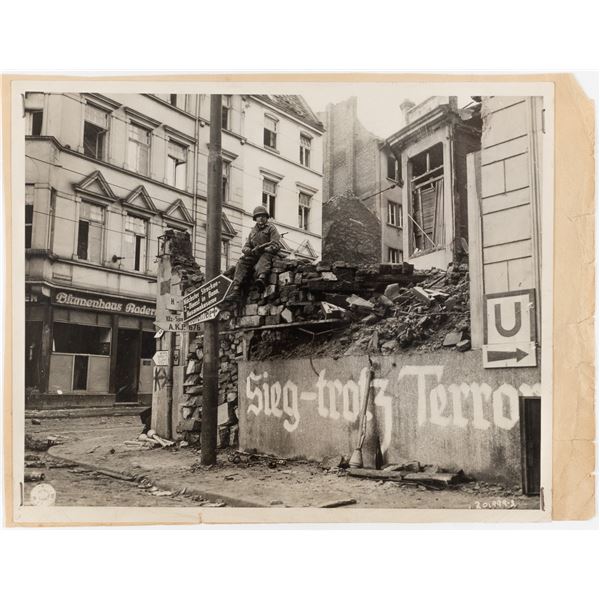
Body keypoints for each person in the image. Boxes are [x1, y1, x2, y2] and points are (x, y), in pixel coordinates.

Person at [228, 205, 281, 299]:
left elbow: (275, 244)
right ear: (255, 218)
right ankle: (236, 288)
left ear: (266, 217)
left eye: (263, 216)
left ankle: (261, 278)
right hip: (254, 255)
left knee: (265, 257)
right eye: (258, 216)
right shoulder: (253, 231)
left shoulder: (271, 228)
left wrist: (266, 248)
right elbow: (246, 246)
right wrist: (250, 251)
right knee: (242, 261)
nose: (260, 218)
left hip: (267, 253)